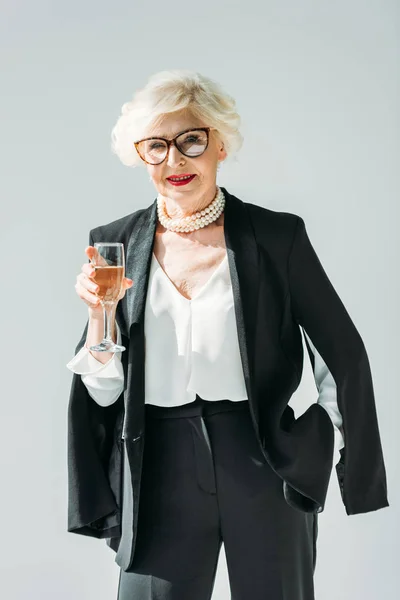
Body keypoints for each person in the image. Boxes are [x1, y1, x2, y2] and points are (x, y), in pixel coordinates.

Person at [66, 69, 389, 600]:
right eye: (156, 146)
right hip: (158, 466)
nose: (174, 160)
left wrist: (323, 446)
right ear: (139, 155)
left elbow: (343, 353)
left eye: (191, 140)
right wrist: (100, 315)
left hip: (261, 460)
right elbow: (103, 392)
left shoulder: (276, 236)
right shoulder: (115, 244)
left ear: (220, 144)